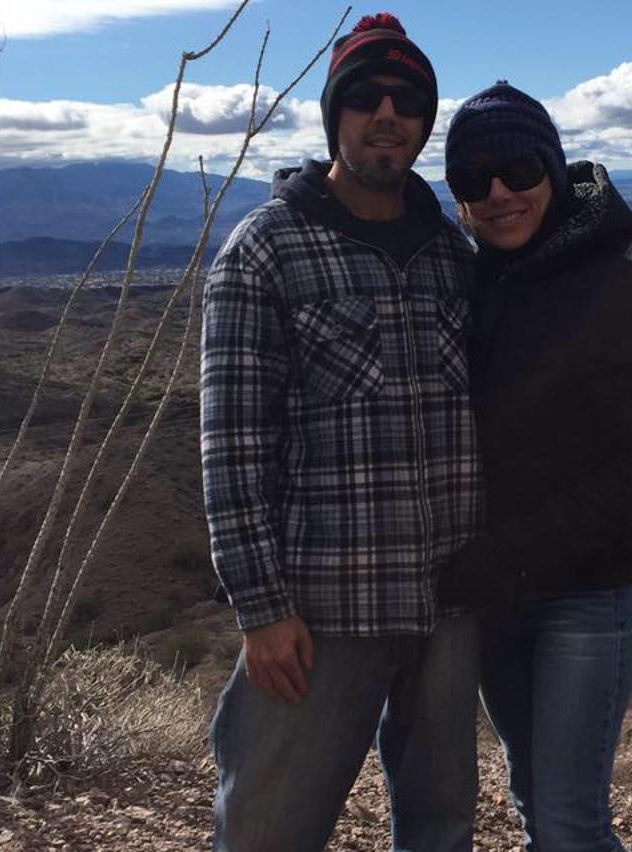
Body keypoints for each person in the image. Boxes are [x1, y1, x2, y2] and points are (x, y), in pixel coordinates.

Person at [200, 13, 481, 852]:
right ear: (335, 115)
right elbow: (231, 448)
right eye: (366, 97)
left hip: (450, 600)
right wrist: (260, 608)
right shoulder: (266, 250)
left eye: (407, 100)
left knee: (442, 825)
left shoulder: (450, 253)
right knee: (269, 829)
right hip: (323, 610)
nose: (387, 114)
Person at [438, 82, 632, 852]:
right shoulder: (468, 289)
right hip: (494, 602)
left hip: (584, 598)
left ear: (552, 169)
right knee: (534, 802)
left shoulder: (617, 289)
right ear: (459, 198)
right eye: (474, 178)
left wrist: (508, 554)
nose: (499, 192)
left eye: (518, 169)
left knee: (568, 823)